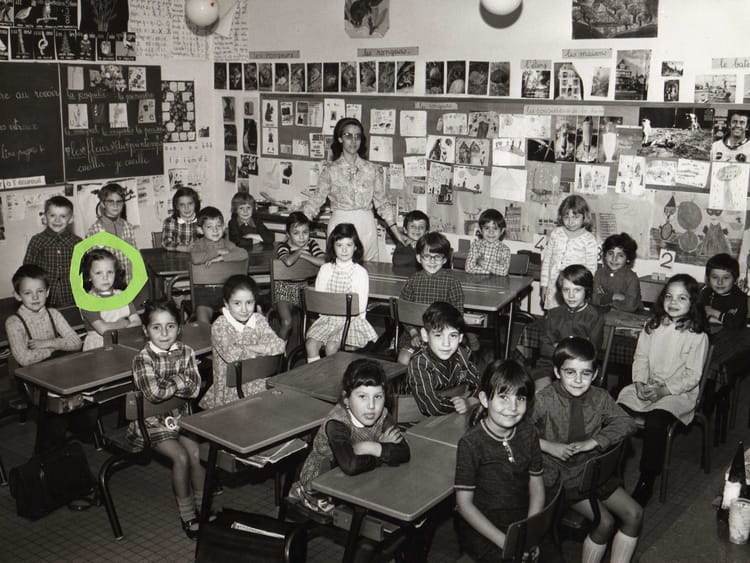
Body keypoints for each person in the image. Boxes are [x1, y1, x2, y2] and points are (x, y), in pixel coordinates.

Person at [533, 337, 641, 563]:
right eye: (570, 372)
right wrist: (549, 446)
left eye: (586, 373)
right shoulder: (543, 400)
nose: (578, 380)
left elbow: (627, 422)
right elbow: (517, 433)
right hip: (561, 480)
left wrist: (595, 441)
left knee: (634, 515)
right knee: (605, 522)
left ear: (595, 374)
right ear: (557, 371)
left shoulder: (599, 397)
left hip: (592, 474)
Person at [617, 273, 709, 507]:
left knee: (656, 422)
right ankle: (614, 471)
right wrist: (640, 382)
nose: (673, 302)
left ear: (693, 303)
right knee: (616, 414)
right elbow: (640, 358)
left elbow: (692, 376)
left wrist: (664, 391)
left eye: (681, 298)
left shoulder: (697, 335)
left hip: (677, 393)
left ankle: (647, 478)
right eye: (669, 296)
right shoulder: (652, 326)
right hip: (648, 384)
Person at [290, 358, 411, 514]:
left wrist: (369, 447)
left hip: (360, 473)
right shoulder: (337, 423)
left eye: (378, 397)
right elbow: (350, 465)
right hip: (323, 478)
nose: (371, 406)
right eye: (362, 397)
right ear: (346, 399)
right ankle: (302, 491)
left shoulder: (382, 415)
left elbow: (404, 452)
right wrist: (381, 450)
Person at [126, 299, 204, 539]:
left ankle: (204, 506)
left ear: (179, 328)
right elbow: (154, 394)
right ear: (145, 330)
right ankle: (188, 514)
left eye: (170, 326)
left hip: (181, 418)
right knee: (181, 457)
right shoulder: (142, 359)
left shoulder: (187, 351)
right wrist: (180, 380)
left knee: (195, 454)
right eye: (156, 327)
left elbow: (195, 390)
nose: (164, 333)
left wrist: (173, 385)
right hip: (150, 423)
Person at [455, 359, 545, 563]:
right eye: (503, 397)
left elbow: (537, 485)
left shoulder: (529, 432)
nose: (512, 407)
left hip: (521, 521)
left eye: (520, 398)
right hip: (484, 529)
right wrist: (507, 543)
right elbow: (464, 505)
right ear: (484, 399)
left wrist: (529, 533)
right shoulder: (471, 443)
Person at [302, 117, 406, 261]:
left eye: (357, 136)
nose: (353, 140)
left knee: (367, 269)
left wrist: (397, 233)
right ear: (340, 139)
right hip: (340, 227)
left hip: (366, 226)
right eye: (348, 136)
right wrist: (298, 228)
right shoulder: (330, 171)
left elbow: (382, 203)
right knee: (339, 268)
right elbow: (314, 202)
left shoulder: (372, 169)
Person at [199, 275, 286, 409]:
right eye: (237, 303)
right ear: (226, 304)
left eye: (249, 302)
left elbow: (279, 345)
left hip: (259, 386)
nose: (244, 309)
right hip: (229, 393)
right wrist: (263, 349)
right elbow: (234, 357)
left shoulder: (258, 320)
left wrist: (247, 348)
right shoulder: (220, 326)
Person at [305, 223, 378, 362]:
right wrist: (334, 306)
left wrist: (334, 305)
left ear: (355, 247)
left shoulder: (360, 272)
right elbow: (320, 300)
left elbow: (359, 307)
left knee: (331, 347)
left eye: (349, 245)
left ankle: (333, 375)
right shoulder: (325, 269)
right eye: (339, 245)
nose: (344, 250)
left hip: (350, 321)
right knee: (310, 345)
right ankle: (317, 374)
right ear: (333, 246)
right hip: (328, 319)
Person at [397, 232, 464, 365]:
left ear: (444, 259)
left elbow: (458, 315)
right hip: (415, 334)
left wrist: (441, 335)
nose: (432, 261)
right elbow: (403, 311)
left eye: (437, 257)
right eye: (427, 256)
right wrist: (413, 333)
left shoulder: (452, 283)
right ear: (419, 258)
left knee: (436, 361)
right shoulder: (412, 280)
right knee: (403, 360)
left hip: (443, 335)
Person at [534, 264, 605, 390]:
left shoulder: (595, 318)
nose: (571, 296)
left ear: (587, 290)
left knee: (572, 393)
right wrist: (576, 348)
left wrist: (559, 346)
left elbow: (591, 352)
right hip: (550, 365)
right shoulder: (553, 314)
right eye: (566, 290)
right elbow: (545, 348)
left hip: (581, 369)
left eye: (577, 290)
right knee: (541, 393)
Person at [406, 301, 480, 416]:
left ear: (460, 338)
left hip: (451, 417)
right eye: (438, 335)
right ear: (425, 335)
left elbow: (481, 384)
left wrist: (471, 401)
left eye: (453, 336)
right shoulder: (420, 363)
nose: (446, 343)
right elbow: (432, 407)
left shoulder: (462, 354)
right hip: (416, 421)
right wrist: (461, 404)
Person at [6, 264, 82, 367]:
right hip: (32, 374)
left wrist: (50, 343)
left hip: (59, 368)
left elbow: (77, 343)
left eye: (40, 291)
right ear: (18, 296)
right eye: (28, 293)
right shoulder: (14, 322)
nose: (35, 297)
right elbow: (24, 359)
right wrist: (54, 349)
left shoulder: (54, 314)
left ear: (47, 292)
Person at [190, 206, 248, 324]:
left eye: (219, 226)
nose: (215, 230)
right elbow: (195, 259)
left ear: (224, 227)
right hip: (204, 294)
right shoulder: (198, 245)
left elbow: (244, 254)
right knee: (203, 323)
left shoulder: (227, 244)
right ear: (200, 230)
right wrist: (217, 252)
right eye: (209, 227)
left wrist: (221, 258)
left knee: (234, 322)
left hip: (226, 293)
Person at [540, 195, 598, 310]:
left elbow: (591, 270)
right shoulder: (556, 234)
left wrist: (586, 292)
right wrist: (544, 285)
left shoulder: (589, 239)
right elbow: (547, 261)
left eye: (575, 217)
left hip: (575, 291)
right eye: (566, 217)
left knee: (572, 318)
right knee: (554, 317)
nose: (570, 222)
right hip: (554, 289)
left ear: (584, 216)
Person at [274, 212, 325, 341]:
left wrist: (302, 255)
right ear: (288, 234)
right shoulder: (283, 246)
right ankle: (278, 349)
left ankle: (313, 349)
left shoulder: (312, 244)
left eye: (305, 232)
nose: (301, 237)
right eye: (296, 233)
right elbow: (288, 261)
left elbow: (323, 261)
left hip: (304, 289)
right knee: (287, 322)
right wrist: (301, 252)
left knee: (317, 322)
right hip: (284, 290)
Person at [23, 196, 82, 308]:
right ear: (45, 217)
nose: (57, 220)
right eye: (52, 215)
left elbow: (83, 270)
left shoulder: (78, 242)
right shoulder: (37, 241)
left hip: (71, 294)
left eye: (63, 216)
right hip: (44, 295)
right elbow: (28, 269)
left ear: (71, 219)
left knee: (70, 317)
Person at [78, 248, 141, 351]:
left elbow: (137, 321)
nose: (105, 277)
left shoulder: (123, 296)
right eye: (98, 273)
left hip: (124, 341)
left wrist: (124, 331)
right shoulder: (88, 301)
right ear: (89, 276)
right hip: (99, 347)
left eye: (110, 272)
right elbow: (104, 330)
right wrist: (124, 323)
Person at [86, 183, 137, 284]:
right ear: (102, 204)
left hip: (128, 281)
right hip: (106, 282)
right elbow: (92, 261)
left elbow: (135, 255)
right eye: (110, 201)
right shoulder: (95, 230)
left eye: (119, 202)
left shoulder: (128, 227)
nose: (115, 205)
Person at [592, 233, 642, 313]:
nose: (614, 259)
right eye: (610, 253)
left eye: (620, 255)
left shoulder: (631, 278)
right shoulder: (599, 273)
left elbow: (631, 306)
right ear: (605, 255)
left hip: (629, 316)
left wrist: (606, 299)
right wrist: (615, 296)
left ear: (628, 258)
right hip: (604, 315)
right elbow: (593, 299)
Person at [466, 209, 511, 275]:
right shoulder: (475, 246)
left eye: (495, 228)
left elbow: (504, 271)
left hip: (496, 282)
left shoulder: (505, 250)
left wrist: (482, 263)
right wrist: (493, 270)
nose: (491, 232)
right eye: (487, 228)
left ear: (502, 231)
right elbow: (469, 268)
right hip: (477, 281)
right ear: (480, 230)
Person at [161, 187, 200, 252]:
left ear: (195, 204)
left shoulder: (202, 220)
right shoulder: (170, 222)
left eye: (190, 203)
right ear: (177, 206)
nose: (186, 208)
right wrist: (183, 248)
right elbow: (166, 242)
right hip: (177, 256)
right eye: (182, 205)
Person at [391, 210, 429, 275]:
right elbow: (397, 262)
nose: (417, 229)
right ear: (405, 230)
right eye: (412, 226)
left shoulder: (428, 246)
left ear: (426, 232)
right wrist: (414, 249)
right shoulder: (403, 244)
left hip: (420, 278)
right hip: (402, 278)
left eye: (421, 227)